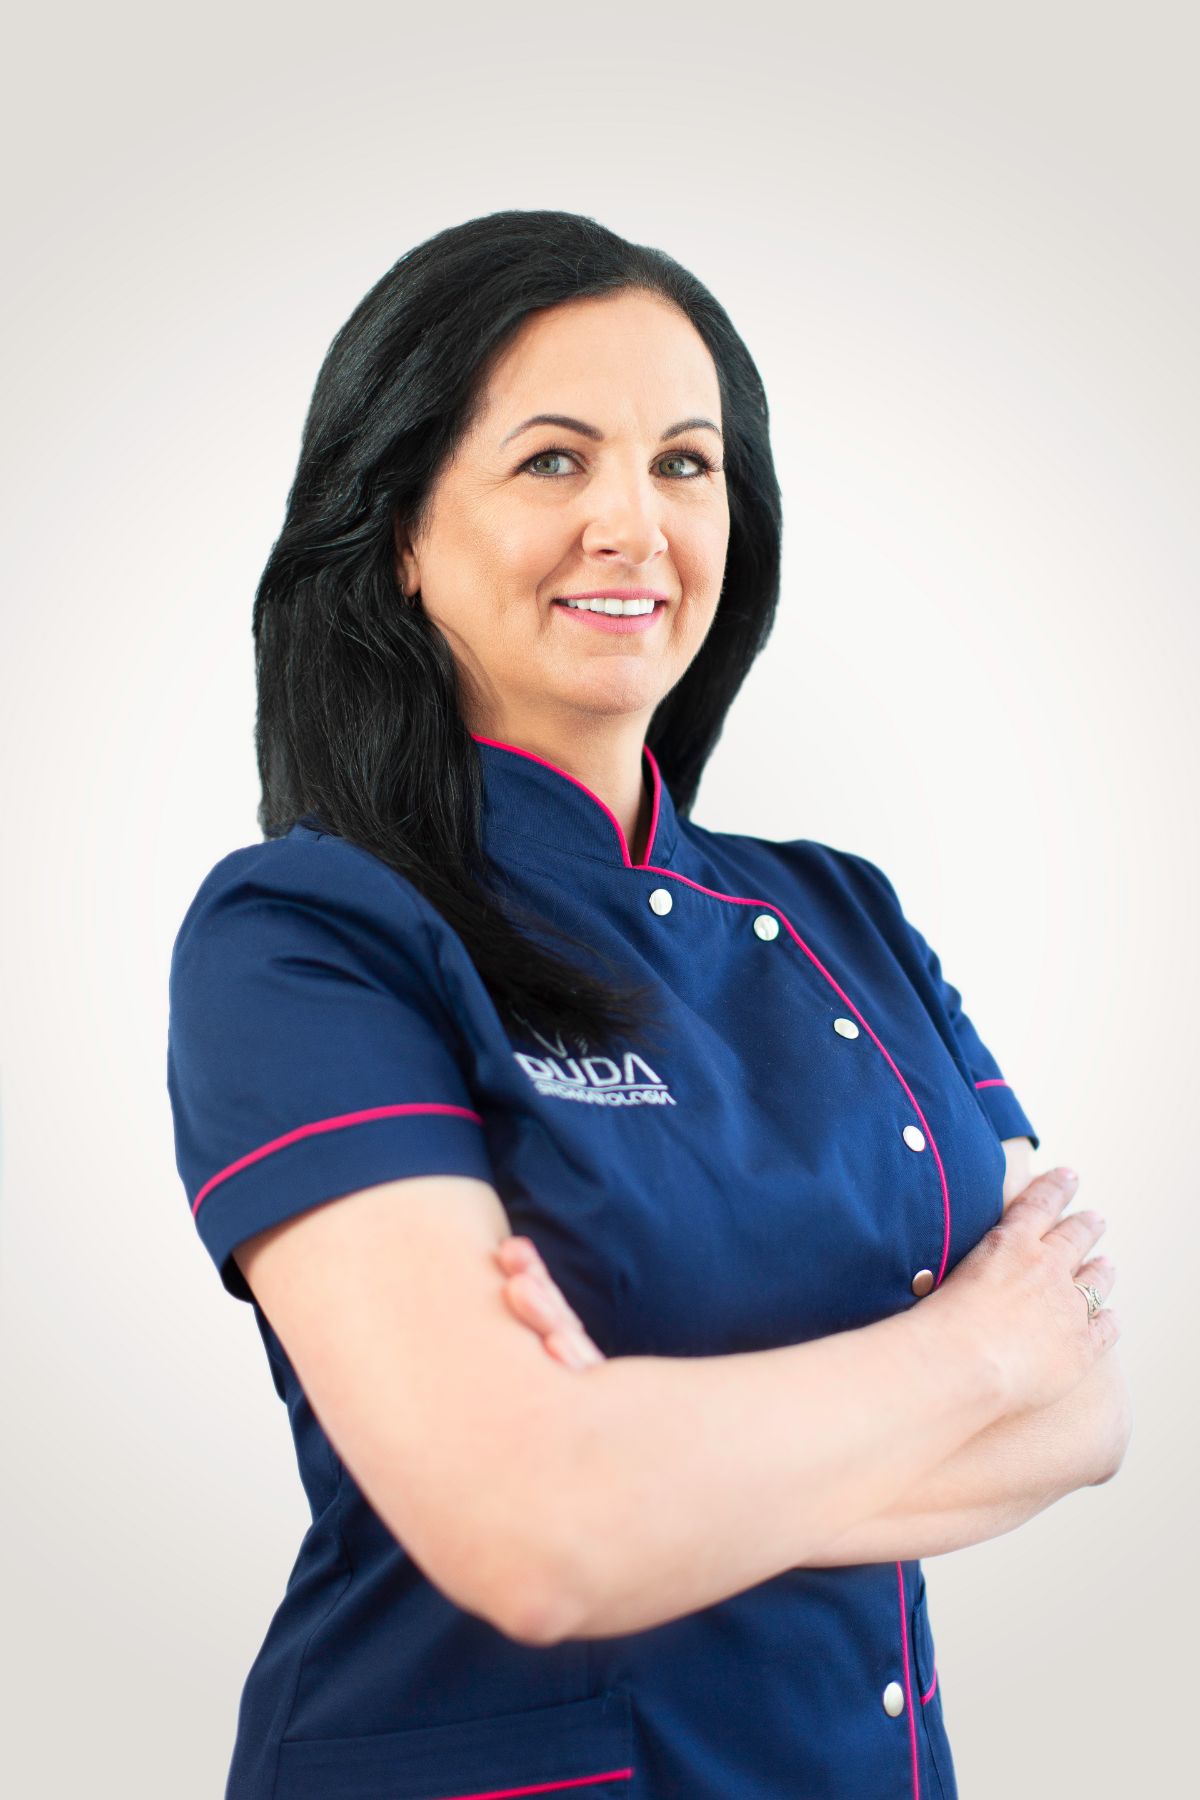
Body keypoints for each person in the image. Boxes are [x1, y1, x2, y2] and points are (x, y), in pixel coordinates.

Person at [166, 209, 1129, 1800]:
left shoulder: (845, 914)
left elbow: (1084, 1410)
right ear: (398, 532)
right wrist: (975, 1355)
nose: (635, 521)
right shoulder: (308, 935)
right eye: (554, 460)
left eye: (686, 463)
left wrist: (620, 1468)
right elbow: (536, 1541)